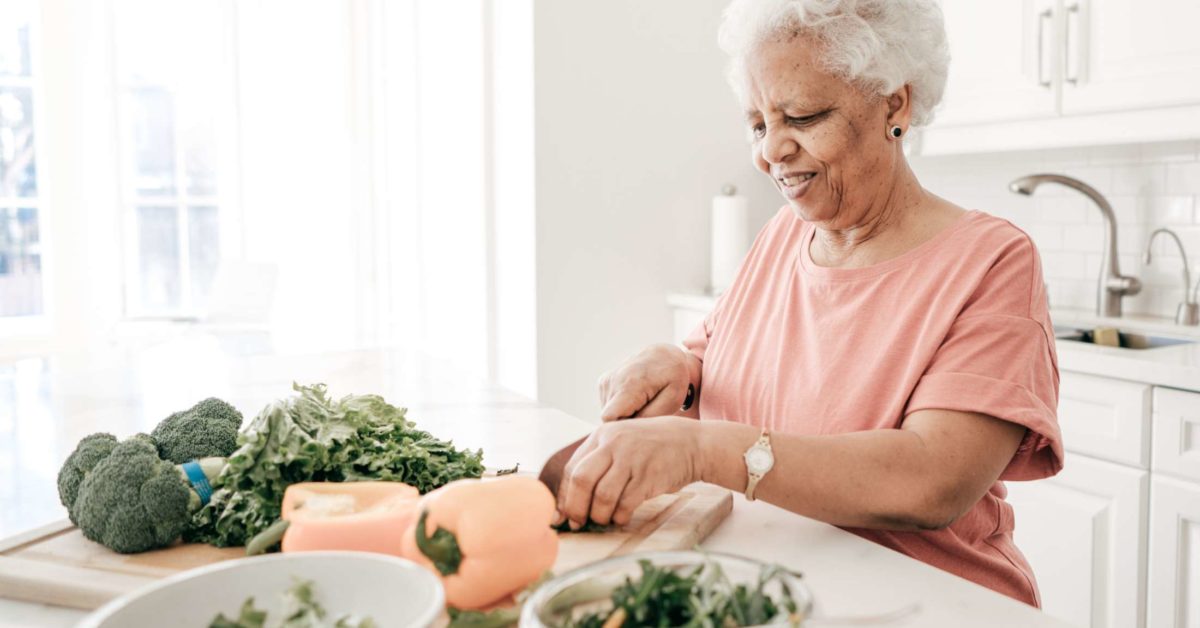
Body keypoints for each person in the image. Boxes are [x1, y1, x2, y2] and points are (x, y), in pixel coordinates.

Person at [552, 0, 1063, 606]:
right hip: (778, 584)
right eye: (758, 124)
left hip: (933, 604)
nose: (771, 152)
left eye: (802, 116)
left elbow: (932, 481)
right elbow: (715, 365)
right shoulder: (783, 234)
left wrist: (699, 451)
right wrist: (676, 369)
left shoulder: (992, 260)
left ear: (893, 104)